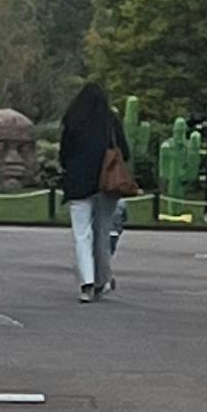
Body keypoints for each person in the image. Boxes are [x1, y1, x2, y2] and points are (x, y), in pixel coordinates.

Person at [56, 77, 131, 299]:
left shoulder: (73, 119)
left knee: (81, 234)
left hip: (79, 183)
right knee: (103, 232)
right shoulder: (110, 121)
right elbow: (124, 151)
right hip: (106, 182)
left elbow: (64, 153)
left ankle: (86, 283)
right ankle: (102, 278)